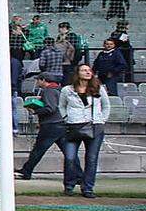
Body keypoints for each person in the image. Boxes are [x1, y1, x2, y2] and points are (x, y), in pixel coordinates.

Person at [59, 63, 110, 198]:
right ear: (78, 73)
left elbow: (106, 106)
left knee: (92, 158)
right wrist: (66, 118)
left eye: (89, 70)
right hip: (74, 126)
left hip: (95, 126)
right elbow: (62, 106)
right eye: (84, 70)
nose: (87, 72)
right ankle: (69, 185)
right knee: (70, 157)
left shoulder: (99, 88)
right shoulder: (67, 90)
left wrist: (102, 119)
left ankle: (87, 188)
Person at [16, 73, 69, 181]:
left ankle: (26, 171)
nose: (37, 83)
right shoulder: (60, 90)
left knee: (38, 150)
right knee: (68, 152)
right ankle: (78, 175)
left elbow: (50, 108)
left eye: (38, 80)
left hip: (50, 125)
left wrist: (35, 111)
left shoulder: (48, 91)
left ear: (43, 80)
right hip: (61, 123)